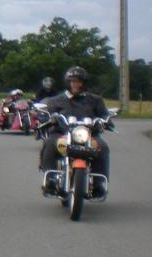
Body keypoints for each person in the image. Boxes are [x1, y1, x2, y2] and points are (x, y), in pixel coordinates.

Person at [39, 66, 111, 195]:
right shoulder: (56, 100)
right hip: (62, 134)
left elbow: (104, 115)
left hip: (88, 135)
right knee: (49, 143)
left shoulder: (95, 100)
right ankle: (50, 179)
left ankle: (98, 182)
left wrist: (105, 121)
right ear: (67, 82)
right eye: (72, 81)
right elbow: (48, 114)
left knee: (102, 147)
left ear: (84, 83)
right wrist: (51, 118)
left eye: (78, 81)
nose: (75, 84)